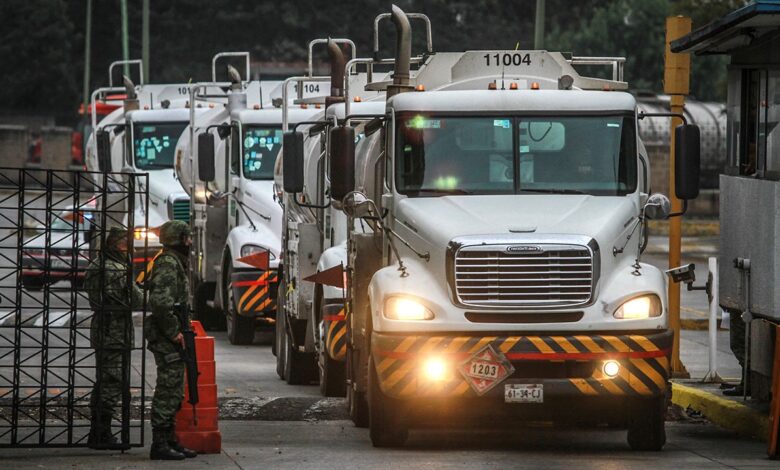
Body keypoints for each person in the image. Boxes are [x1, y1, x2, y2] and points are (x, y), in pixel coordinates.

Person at [85, 227, 143, 448]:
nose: (130, 248)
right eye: (127, 244)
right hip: (116, 332)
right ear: (119, 245)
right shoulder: (117, 269)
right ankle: (102, 434)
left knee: (103, 380)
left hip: (102, 328)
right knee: (113, 382)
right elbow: (136, 301)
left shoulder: (96, 265)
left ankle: (97, 431)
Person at [146, 220, 197, 460]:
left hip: (174, 332)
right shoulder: (167, 263)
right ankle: (159, 443)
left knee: (175, 385)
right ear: (179, 239)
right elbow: (160, 302)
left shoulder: (174, 261)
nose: (189, 242)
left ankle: (170, 438)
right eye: (186, 237)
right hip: (167, 335)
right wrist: (173, 330)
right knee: (168, 386)